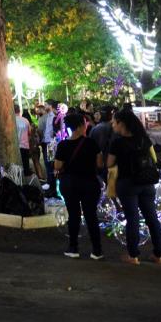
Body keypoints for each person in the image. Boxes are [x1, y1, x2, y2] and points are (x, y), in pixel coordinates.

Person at [107, 109, 161, 265]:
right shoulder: (144, 139)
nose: (112, 125)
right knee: (152, 218)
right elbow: (154, 158)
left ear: (121, 124)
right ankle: (159, 255)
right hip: (147, 183)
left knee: (132, 219)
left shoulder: (117, 142)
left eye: (114, 122)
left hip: (128, 184)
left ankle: (133, 256)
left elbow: (109, 163)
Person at [55, 111, 104, 260]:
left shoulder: (63, 145)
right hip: (89, 183)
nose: (86, 125)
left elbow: (57, 165)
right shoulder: (91, 143)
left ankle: (73, 247)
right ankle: (97, 250)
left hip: (70, 184)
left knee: (74, 215)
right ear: (80, 126)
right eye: (84, 123)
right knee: (91, 216)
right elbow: (100, 164)